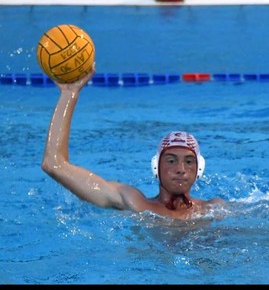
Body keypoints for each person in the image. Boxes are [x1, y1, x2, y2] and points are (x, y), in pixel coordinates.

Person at [42, 65, 226, 220]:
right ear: (156, 167)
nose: (181, 169)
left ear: (199, 168)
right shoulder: (135, 203)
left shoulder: (213, 210)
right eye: (171, 160)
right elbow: (54, 165)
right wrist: (69, 94)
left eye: (189, 161)